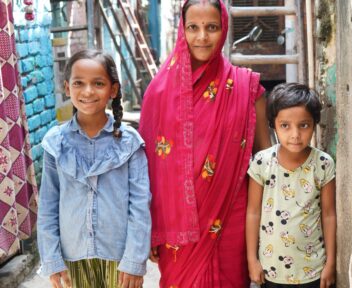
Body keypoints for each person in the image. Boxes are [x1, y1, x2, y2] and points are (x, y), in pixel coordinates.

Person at [139, 0, 270, 287]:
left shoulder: (246, 88)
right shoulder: (158, 93)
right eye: (193, 28)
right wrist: (148, 229)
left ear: (223, 29)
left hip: (231, 216)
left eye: (211, 27)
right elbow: (145, 171)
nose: (202, 37)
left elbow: (265, 162)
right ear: (181, 31)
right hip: (176, 227)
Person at [37, 49, 151, 288]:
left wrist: (134, 260)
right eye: (79, 83)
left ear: (113, 89)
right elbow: (47, 208)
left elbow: (140, 206)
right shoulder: (55, 143)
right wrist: (52, 259)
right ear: (67, 88)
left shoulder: (130, 142)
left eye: (98, 83)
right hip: (72, 259)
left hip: (119, 259)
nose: (88, 91)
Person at [246, 83, 336, 288]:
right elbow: (253, 211)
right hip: (271, 271)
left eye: (303, 125)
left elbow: (329, 214)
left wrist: (330, 262)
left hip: (313, 270)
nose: (295, 134)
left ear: (314, 124)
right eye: (285, 125)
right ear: (273, 125)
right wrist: (252, 260)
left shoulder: (323, 164)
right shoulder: (262, 162)